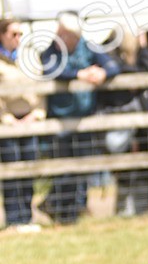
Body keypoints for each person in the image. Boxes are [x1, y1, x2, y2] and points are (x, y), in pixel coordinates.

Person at [39, 13, 120, 225]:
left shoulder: (88, 47)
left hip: (85, 119)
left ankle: (70, 212)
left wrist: (103, 73)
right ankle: (59, 208)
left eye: (64, 35)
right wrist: (79, 75)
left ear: (73, 36)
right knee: (65, 169)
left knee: (83, 168)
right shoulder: (51, 50)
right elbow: (51, 69)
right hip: (60, 121)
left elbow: (113, 65)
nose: (60, 38)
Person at [97, 31, 148, 216]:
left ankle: (144, 209)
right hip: (118, 120)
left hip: (144, 124)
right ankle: (123, 211)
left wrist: (141, 51)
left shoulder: (144, 58)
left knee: (144, 167)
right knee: (123, 168)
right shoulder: (110, 56)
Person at [0, 18, 45, 232]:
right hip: (7, 123)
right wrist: (7, 119)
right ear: (2, 35)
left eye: (20, 34)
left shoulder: (30, 56)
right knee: (11, 170)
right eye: (13, 34)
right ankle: (13, 219)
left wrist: (36, 114)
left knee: (28, 169)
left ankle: (27, 217)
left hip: (30, 120)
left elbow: (42, 87)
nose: (18, 38)